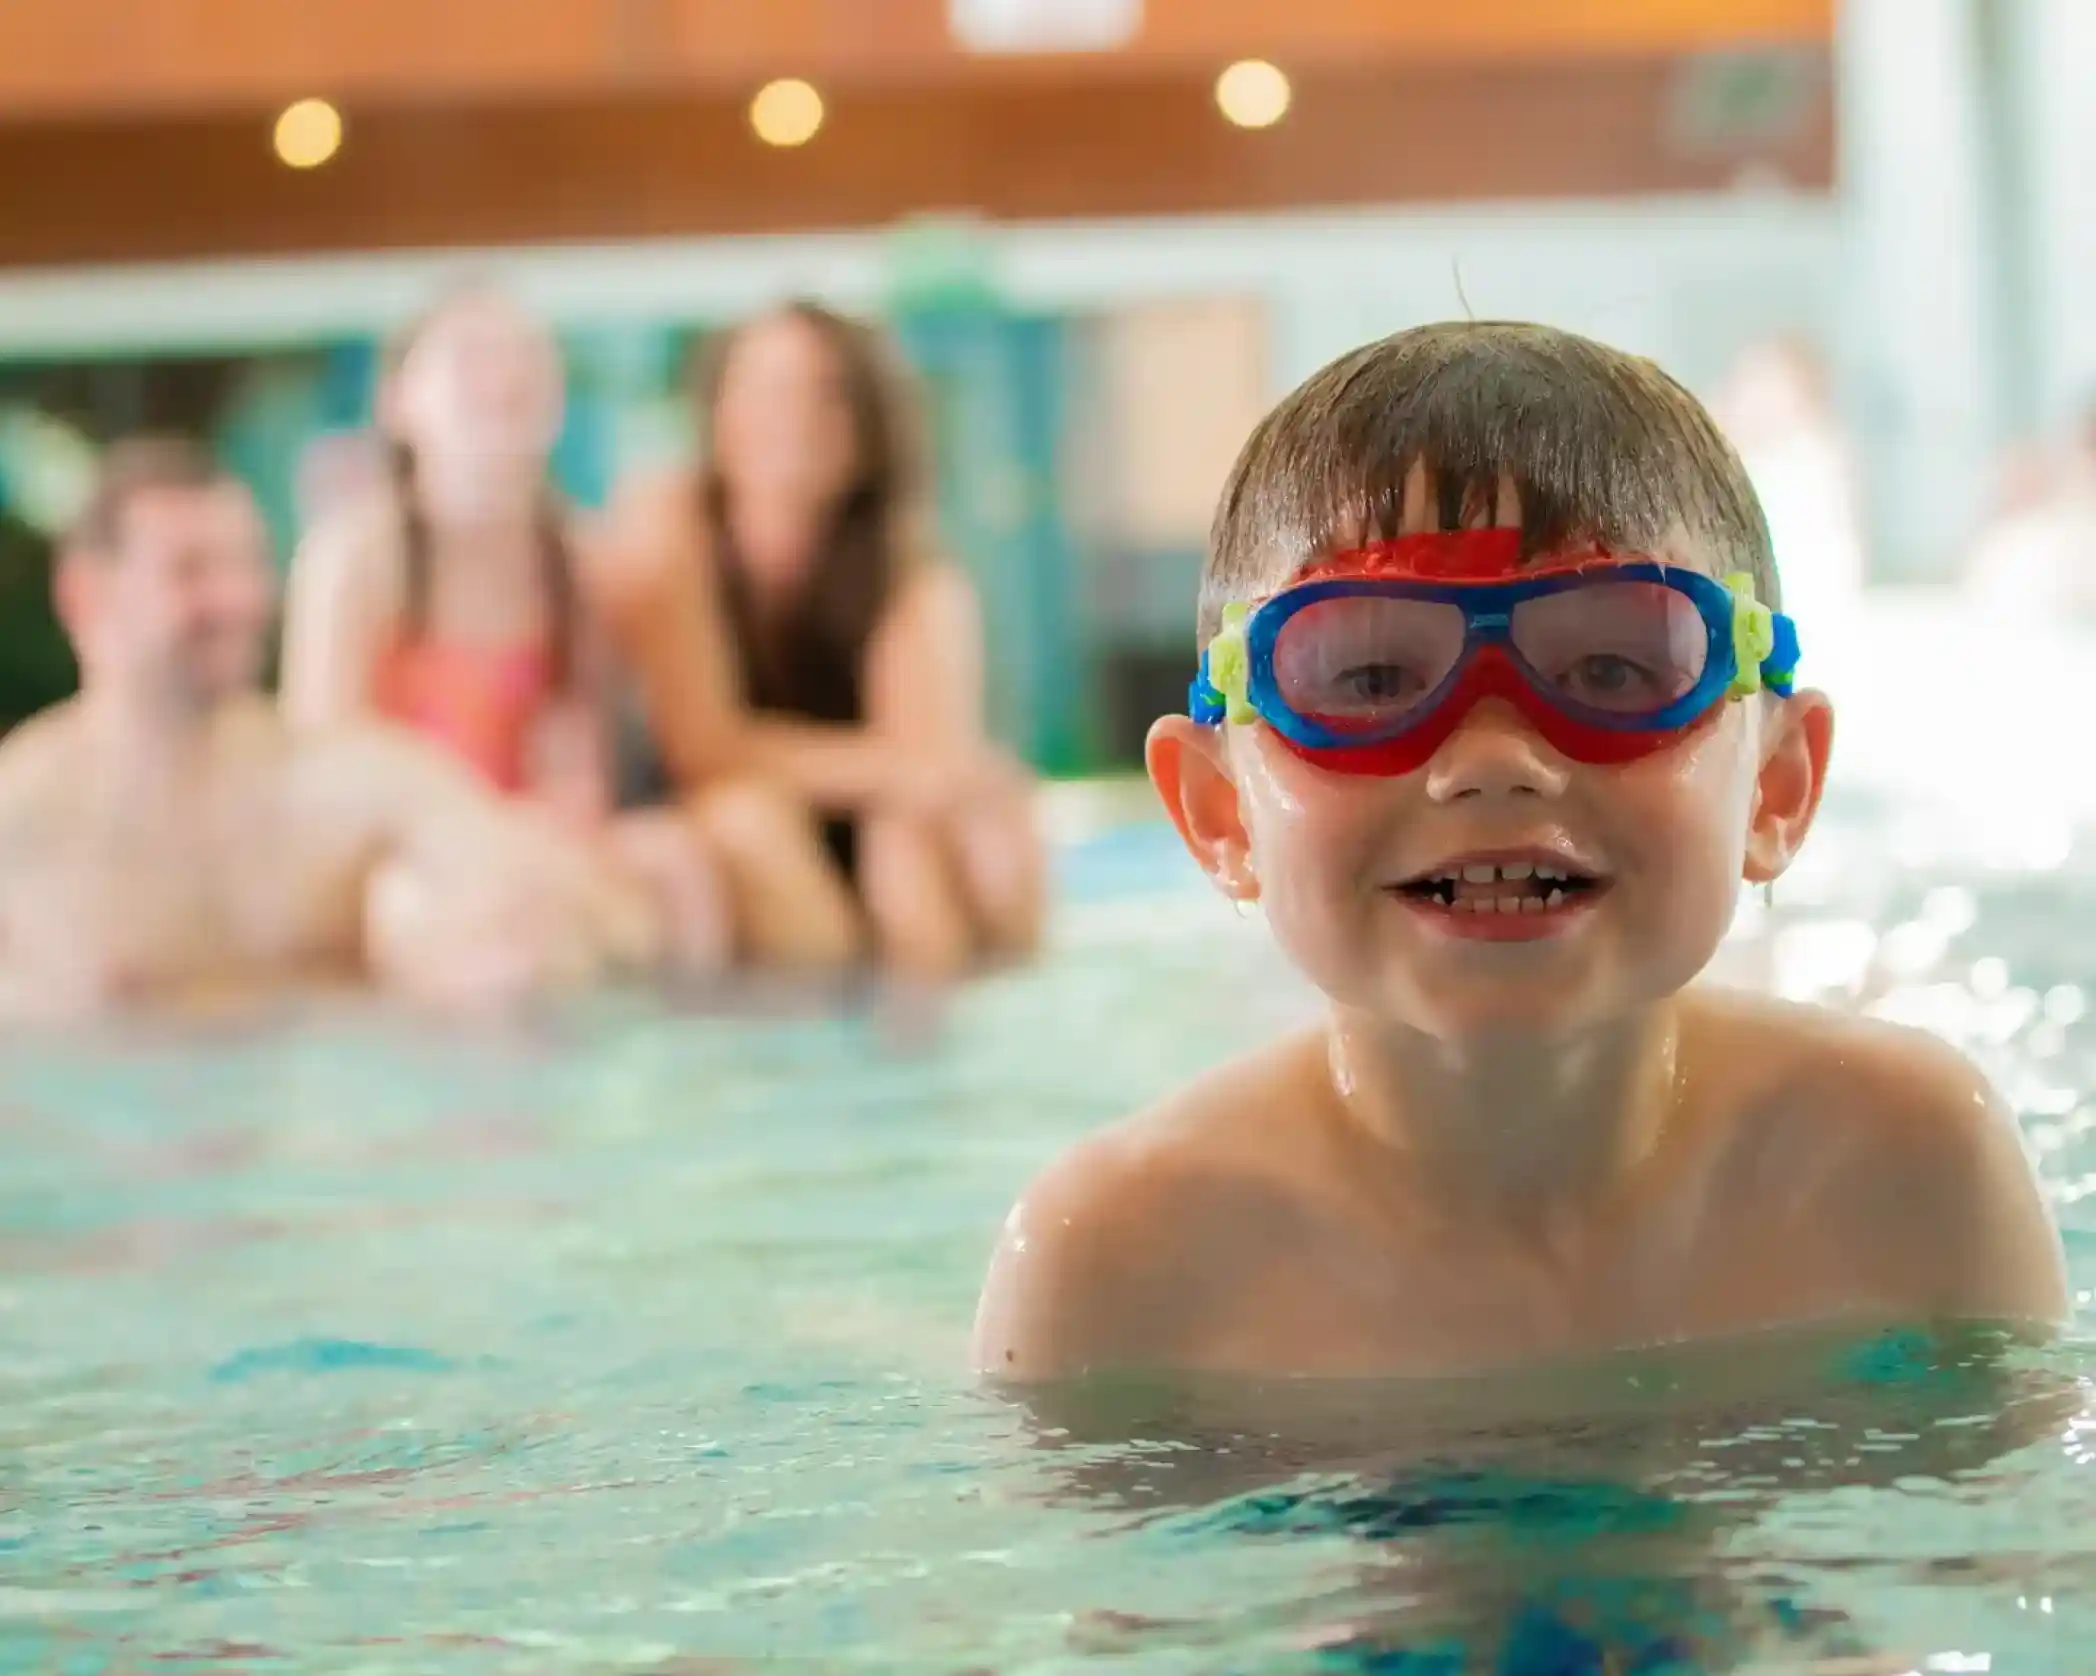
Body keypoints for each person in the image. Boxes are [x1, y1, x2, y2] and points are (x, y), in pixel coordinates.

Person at [973, 322, 2067, 1382]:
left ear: (1775, 786)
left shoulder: (1907, 1169)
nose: (1492, 758)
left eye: (1610, 668)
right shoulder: (1117, 1270)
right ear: (1219, 812)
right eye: (1365, 679)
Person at [0, 437, 660, 1024]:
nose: (237, 599)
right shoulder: (24, 825)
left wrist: (499, 943)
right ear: (86, 597)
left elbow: (607, 919)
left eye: (248, 563)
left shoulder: (347, 788)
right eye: (192, 569)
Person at [279, 284, 725, 974]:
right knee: (469, 907)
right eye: (472, 357)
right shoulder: (356, 560)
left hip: (538, 834)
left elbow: (581, 767)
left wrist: (549, 829)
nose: (503, 377)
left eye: (524, 358)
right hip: (397, 851)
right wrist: (471, 832)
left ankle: (702, 1052)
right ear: (398, 402)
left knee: (675, 858)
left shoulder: (578, 562)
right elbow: (324, 773)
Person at [600, 300, 1044, 983]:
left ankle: (938, 1047)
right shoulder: (672, 526)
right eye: (766, 391)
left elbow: (933, 769)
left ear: (868, 425)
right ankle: (824, 1041)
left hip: (860, 830)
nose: (793, 418)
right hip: (714, 821)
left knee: (941, 838)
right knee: (748, 823)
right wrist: (909, 770)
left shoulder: (910, 570)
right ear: (716, 410)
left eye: (824, 394)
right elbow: (706, 751)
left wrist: (934, 781)